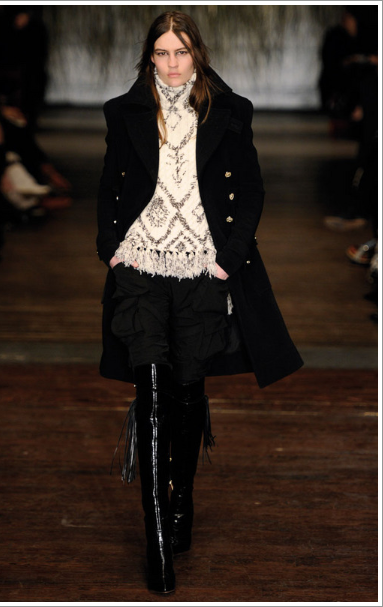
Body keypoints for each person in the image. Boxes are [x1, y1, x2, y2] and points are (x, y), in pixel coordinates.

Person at [96, 11, 303, 594]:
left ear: (198, 55)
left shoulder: (230, 112)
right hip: (140, 265)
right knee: (151, 392)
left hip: (201, 270)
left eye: (181, 52)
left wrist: (227, 260)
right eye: (161, 52)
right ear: (149, 56)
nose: (171, 63)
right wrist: (111, 249)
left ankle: (181, 498)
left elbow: (252, 189)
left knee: (188, 391)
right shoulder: (124, 112)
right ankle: (157, 540)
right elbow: (111, 184)